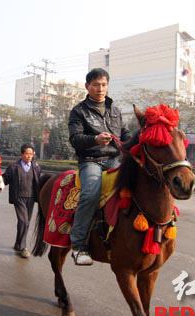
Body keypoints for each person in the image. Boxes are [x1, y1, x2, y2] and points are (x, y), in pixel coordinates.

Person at [68, 68, 132, 266]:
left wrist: (136, 143)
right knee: (90, 194)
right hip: (91, 160)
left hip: (114, 159)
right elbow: (75, 139)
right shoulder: (79, 111)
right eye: (96, 84)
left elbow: (126, 135)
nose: (100, 88)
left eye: (103, 84)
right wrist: (95, 139)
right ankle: (78, 245)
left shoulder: (115, 110)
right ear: (87, 86)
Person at [2, 144, 41, 259]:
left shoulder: (36, 167)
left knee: (25, 222)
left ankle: (18, 243)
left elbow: (40, 180)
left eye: (31, 154)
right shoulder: (13, 166)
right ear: (22, 154)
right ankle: (23, 247)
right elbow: (5, 178)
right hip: (18, 197)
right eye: (27, 154)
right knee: (23, 221)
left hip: (31, 198)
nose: (29, 156)